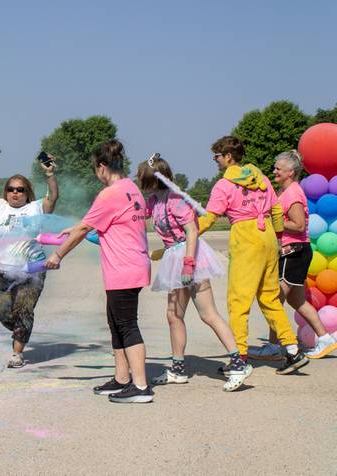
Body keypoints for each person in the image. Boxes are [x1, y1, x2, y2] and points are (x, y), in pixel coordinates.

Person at [45, 139, 153, 404]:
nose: (97, 175)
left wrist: (58, 255)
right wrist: (75, 228)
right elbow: (94, 223)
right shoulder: (130, 188)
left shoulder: (110, 193)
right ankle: (122, 378)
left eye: (96, 169)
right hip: (130, 266)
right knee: (116, 324)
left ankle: (140, 386)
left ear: (103, 167)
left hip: (124, 268)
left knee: (127, 325)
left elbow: (84, 230)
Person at [136, 156, 250, 392]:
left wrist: (189, 264)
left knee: (208, 314)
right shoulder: (156, 200)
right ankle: (178, 369)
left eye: (142, 179)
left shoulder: (177, 200)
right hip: (172, 258)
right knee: (173, 315)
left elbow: (192, 231)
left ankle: (239, 364)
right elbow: (137, 214)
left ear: (153, 180)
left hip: (190, 257)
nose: (140, 184)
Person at [197, 136, 308, 374]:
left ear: (228, 157)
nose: (215, 161)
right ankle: (292, 350)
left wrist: (189, 232)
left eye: (217, 156)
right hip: (268, 237)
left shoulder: (224, 185)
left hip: (246, 239)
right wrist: (277, 239)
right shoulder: (262, 178)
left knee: (239, 301)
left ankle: (240, 357)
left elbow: (210, 216)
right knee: (270, 298)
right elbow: (277, 209)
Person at [248, 151, 337, 360]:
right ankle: (324, 339)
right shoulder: (285, 191)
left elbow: (298, 225)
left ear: (291, 172)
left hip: (293, 252)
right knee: (298, 302)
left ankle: (273, 346)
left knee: (273, 300)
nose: (274, 171)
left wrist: (269, 221)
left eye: (278, 168)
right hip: (294, 252)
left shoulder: (293, 193)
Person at [0, 149, 58, 368]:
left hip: (31, 270)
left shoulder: (36, 207)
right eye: (10, 189)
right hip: (1, 271)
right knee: (4, 314)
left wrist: (50, 175)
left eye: (20, 190)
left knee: (24, 310)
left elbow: (53, 197)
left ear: (27, 193)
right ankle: (22, 330)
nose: (15, 193)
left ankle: (17, 353)